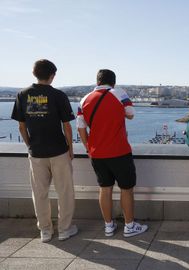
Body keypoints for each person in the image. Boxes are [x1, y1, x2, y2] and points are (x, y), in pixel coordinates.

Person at [11, 59, 77, 242]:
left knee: (39, 193)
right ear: (52, 75)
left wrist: (29, 146)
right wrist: (70, 148)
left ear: (35, 74)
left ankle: (45, 231)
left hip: (36, 152)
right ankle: (64, 229)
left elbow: (21, 127)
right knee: (65, 191)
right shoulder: (58, 95)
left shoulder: (22, 95)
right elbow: (67, 127)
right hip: (59, 151)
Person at [76, 69, 148, 237]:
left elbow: (81, 127)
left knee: (105, 188)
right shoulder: (119, 93)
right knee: (126, 189)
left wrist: (89, 148)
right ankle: (129, 226)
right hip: (119, 150)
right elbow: (131, 114)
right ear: (113, 82)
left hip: (97, 153)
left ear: (97, 81)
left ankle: (109, 226)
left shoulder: (84, 99)